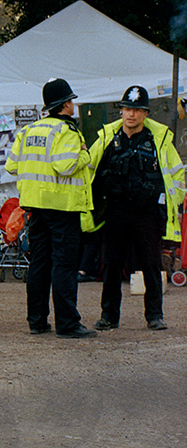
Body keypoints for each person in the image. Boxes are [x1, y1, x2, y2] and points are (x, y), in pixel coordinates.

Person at [4, 77, 96, 338]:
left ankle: (37, 321)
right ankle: (67, 324)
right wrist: (85, 154)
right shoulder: (66, 131)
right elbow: (65, 165)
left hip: (35, 207)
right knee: (64, 266)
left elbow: (12, 166)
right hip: (62, 206)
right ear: (66, 104)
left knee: (39, 265)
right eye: (71, 101)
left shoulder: (28, 131)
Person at [86, 85, 183, 332]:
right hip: (115, 212)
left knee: (151, 264)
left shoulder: (159, 141)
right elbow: (88, 169)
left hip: (146, 215)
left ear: (146, 114)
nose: (131, 115)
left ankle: (155, 315)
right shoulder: (107, 139)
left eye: (137, 110)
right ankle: (109, 316)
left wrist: (172, 203)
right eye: (127, 109)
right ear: (121, 111)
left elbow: (177, 176)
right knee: (111, 265)